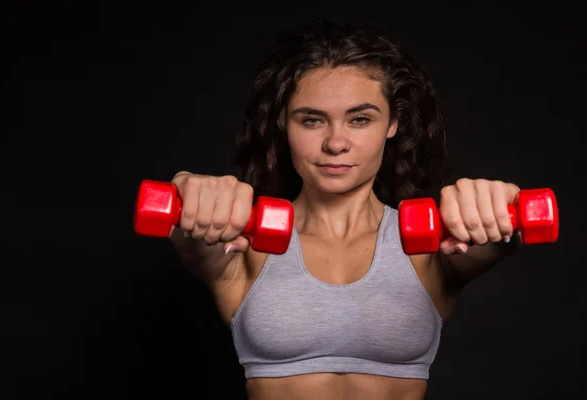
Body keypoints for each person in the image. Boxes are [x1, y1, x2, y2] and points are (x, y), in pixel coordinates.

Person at [168, 18, 521, 400]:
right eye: (312, 120)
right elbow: (190, 235)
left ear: (393, 123)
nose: (336, 143)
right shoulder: (244, 241)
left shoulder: (430, 245)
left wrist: (501, 210)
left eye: (360, 119)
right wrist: (189, 191)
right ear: (285, 124)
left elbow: (498, 241)